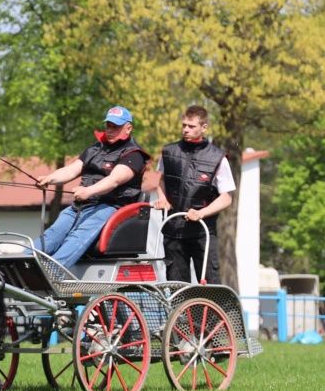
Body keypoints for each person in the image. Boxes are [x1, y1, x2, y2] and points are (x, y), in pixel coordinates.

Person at [33, 105, 150, 270]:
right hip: (82, 205)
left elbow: (114, 180)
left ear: (128, 128)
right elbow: (72, 169)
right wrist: (49, 178)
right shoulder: (95, 148)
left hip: (110, 207)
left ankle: (51, 272)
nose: (110, 130)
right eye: (108, 125)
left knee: (76, 237)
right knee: (53, 234)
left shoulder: (134, 155)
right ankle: (24, 264)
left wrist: (88, 191)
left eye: (115, 126)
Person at [152, 105, 236, 284]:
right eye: (184, 125)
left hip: (203, 233)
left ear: (204, 127)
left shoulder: (218, 158)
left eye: (191, 126)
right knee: (177, 288)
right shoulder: (169, 152)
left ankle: (213, 313)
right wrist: (163, 198)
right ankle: (180, 313)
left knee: (210, 287)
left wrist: (201, 213)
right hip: (173, 232)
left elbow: (226, 197)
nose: (185, 130)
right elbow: (159, 180)